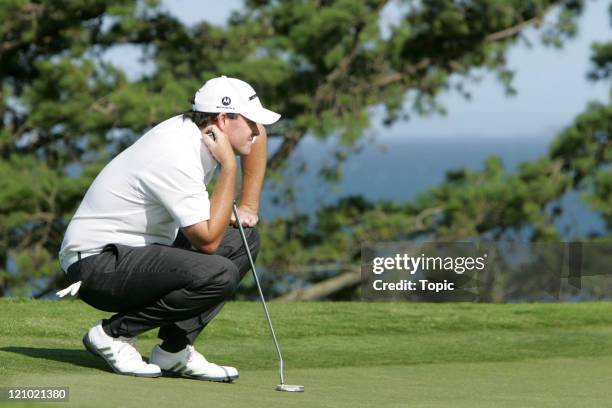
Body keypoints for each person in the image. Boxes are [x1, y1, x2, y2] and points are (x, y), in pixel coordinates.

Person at [56, 75, 280, 380]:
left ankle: (174, 350)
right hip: (97, 265)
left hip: (141, 254)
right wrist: (228, 167)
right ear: (223, 119)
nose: (257, 131)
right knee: (218, 272)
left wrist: (248, 207)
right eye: (251, 123)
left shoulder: (205, 131)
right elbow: (207, 243)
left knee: (243, 238)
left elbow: (259, 136)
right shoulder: (175, 151)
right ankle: (113, 335)